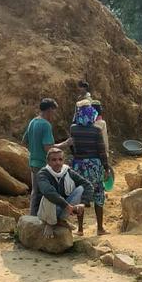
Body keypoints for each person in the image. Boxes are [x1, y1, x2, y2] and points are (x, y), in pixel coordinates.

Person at [68, 104, 111, 235]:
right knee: (98, 195)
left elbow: (72, 147)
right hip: (94, 166)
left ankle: (80, 229)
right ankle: (100, 228)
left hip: (78, 166)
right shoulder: (96, 130)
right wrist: (106, 167)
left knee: (80, 194)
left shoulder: (73, 129)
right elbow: (101, 151)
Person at [35, 147, 94, 234]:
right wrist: (67, 205)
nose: (57, 162)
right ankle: (49, 223)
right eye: (54, 160)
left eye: (60, 159)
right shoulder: (43, 174)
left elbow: (88, 185)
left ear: (63, 160)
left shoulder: (67, 171)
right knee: (49, 195)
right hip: (48, 211)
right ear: (48, 162)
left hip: (64, 208)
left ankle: (60, 220)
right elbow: (48, 191)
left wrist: (83, 203)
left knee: (81, 189)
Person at [23, 98, 58, 216]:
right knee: (46, 193)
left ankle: (32, 219)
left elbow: (25, 140)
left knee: (35, 193)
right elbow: (49, 149)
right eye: (53, 111)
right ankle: (43, 219)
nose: (54, 115)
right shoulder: (46, 125)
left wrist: (35, 148)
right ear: (49, 110)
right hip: (43, 165)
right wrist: (65, 144)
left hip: (33, 163)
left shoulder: (33, 122)